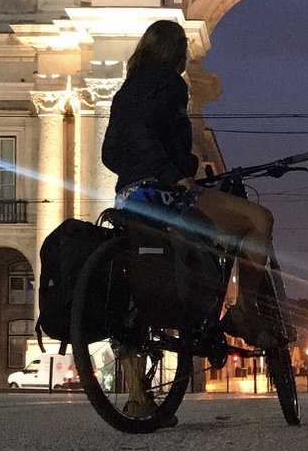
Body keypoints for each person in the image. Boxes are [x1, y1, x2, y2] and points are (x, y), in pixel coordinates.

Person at [101, 20, 277, 351]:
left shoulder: (125, 92)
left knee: (133, 284)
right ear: (177, 53)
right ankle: (242, 312)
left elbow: (110, 155)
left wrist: (142, 173)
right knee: (259, 220)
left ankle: (139, 399)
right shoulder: (169, 84)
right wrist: (174, 175)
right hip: (165, 197)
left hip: (129, 199)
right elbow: (148, 136)